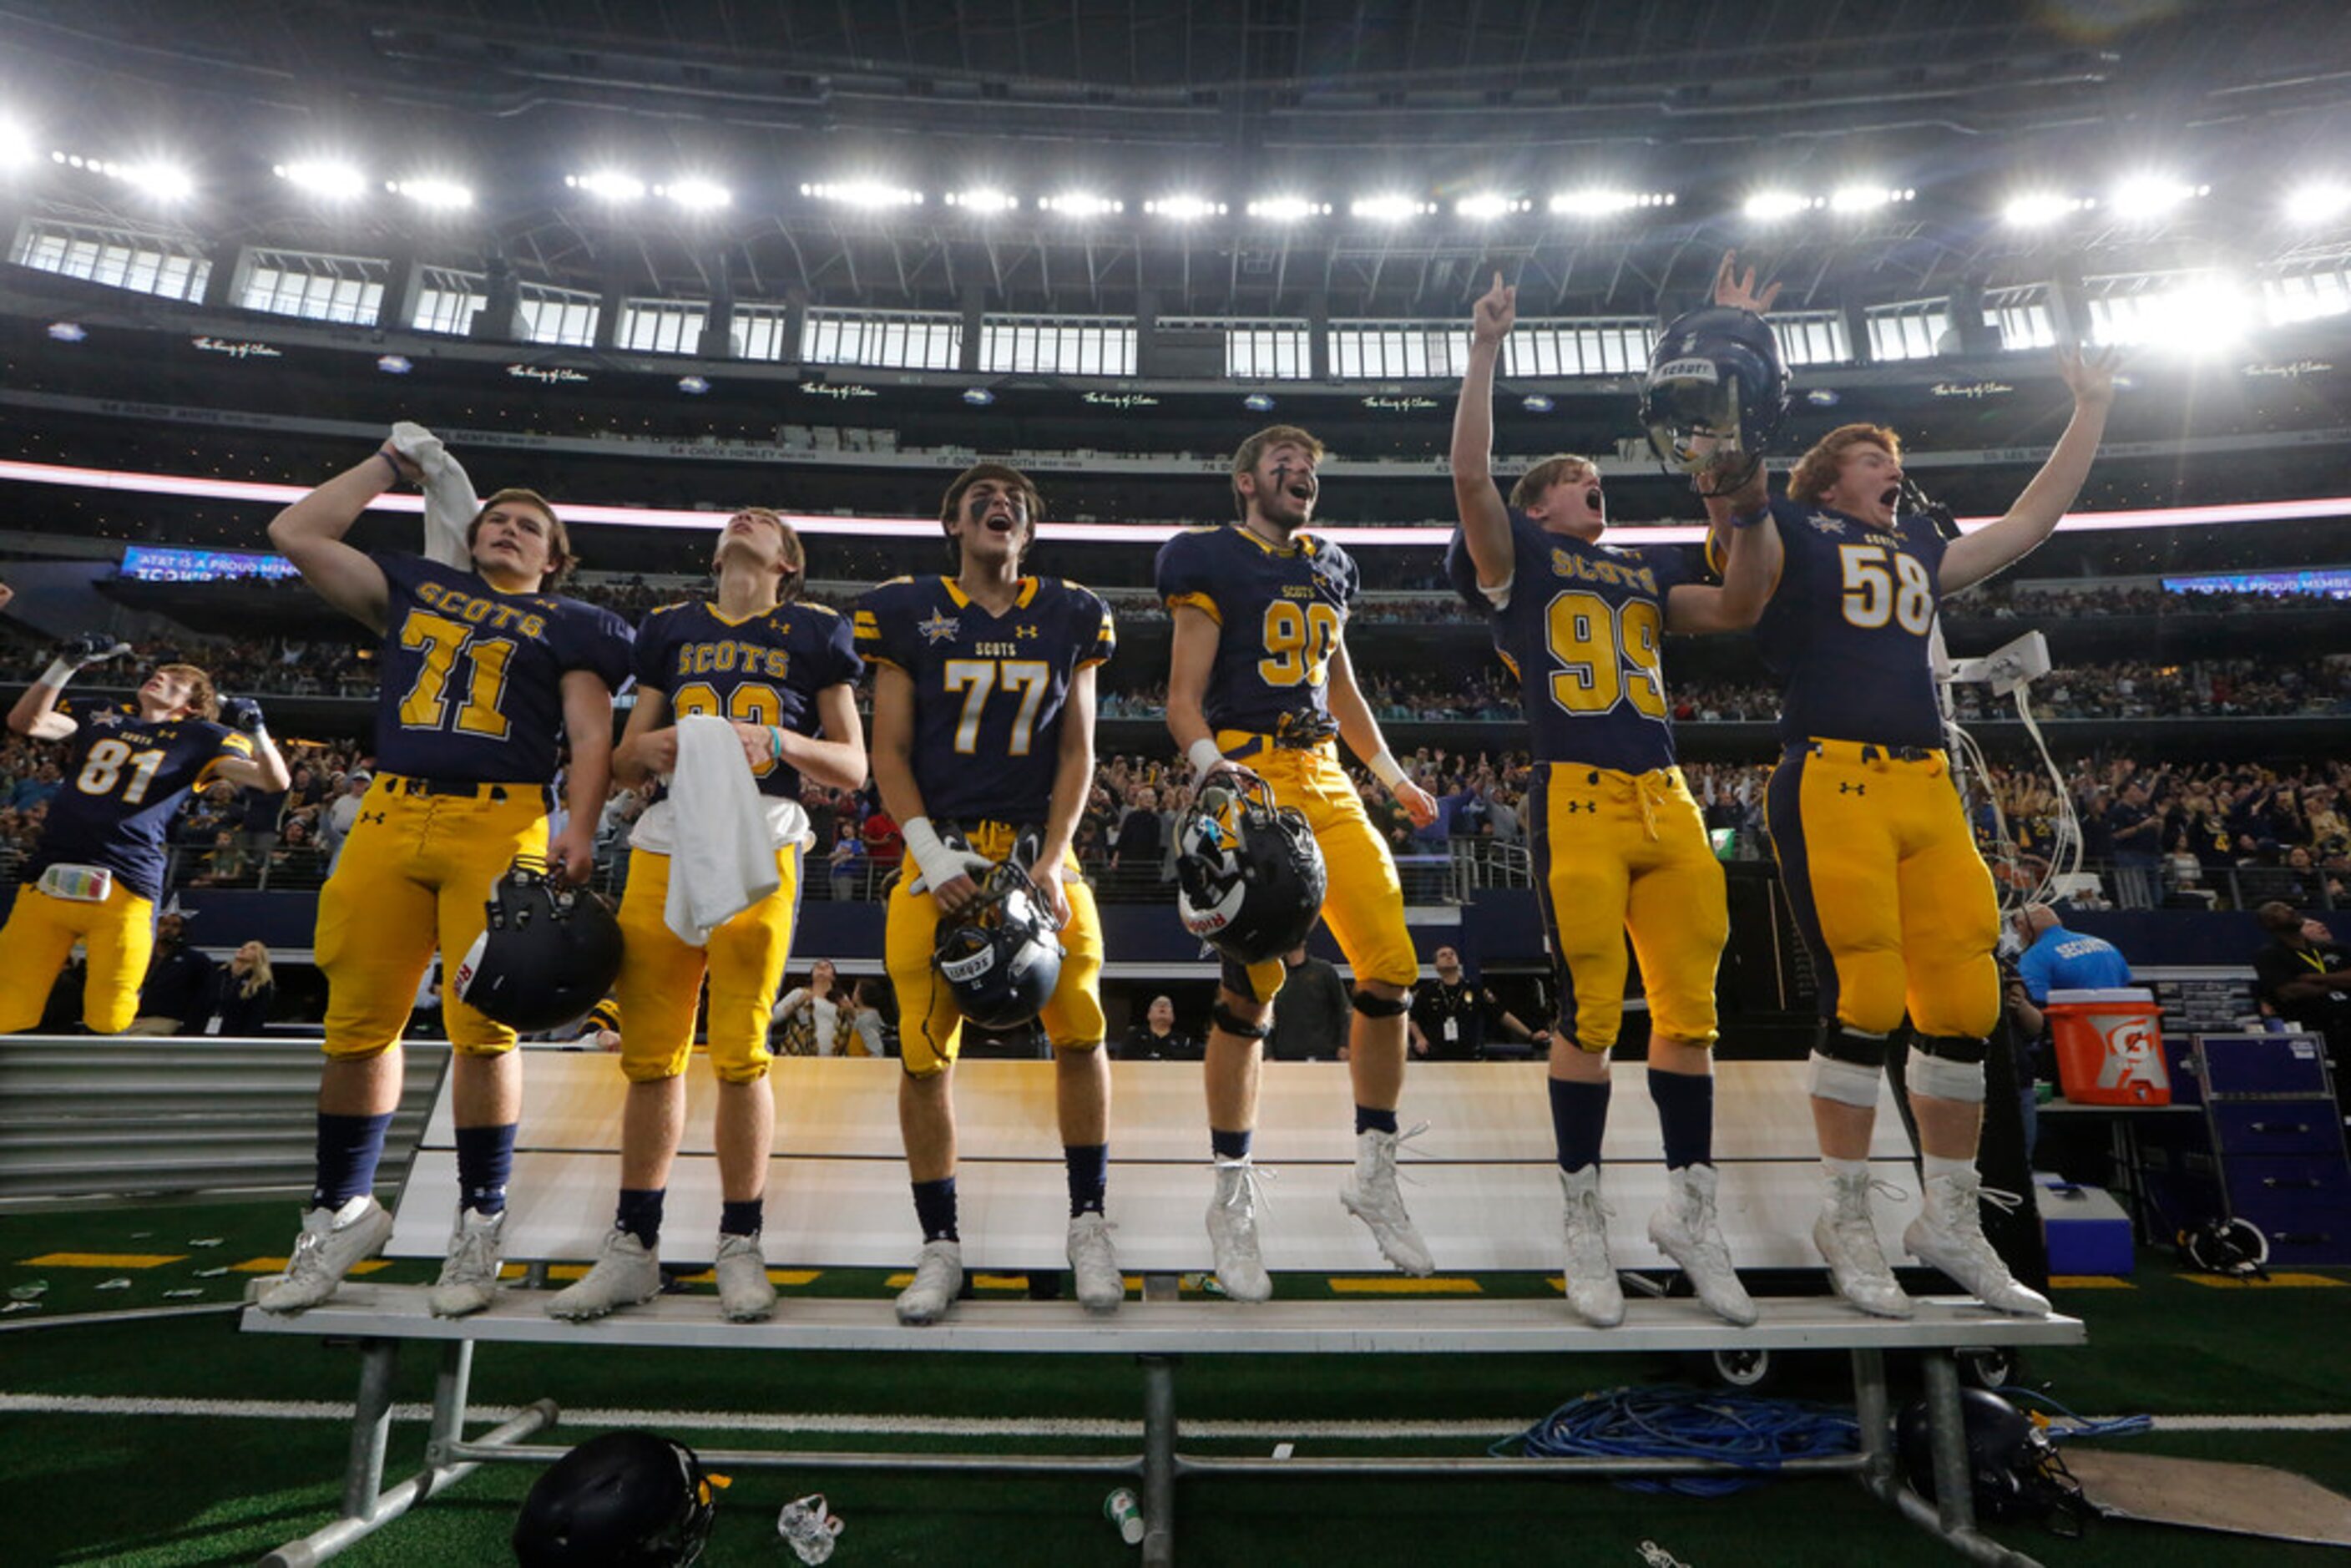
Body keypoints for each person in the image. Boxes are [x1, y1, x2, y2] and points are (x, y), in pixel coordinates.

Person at [1751, 341, 2120, 1318]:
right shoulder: (1792, 524)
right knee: (1865, 990)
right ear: (1830, 472)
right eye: (1874, 459)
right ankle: (1845, 1214)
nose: (1892, 472)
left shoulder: (1915, 545)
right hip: (1830, 771)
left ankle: (1946, 1217)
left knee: (1963, 997)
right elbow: (1736, 527)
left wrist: (2090, 405)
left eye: (1891, 460)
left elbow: (2034, 520)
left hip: (1925, 784)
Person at [1450, 258, 1777, 1327]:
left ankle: (1690, 1214)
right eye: (1577, 476)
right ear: (1541, 501)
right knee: (1588, 1012)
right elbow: (1467, 485)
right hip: (1578, 796)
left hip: (1667, 800)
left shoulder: (1637, 570)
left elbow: (1737, 604)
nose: (1596, 483)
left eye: (1597, 474)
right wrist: (1485, 350)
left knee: (1691, 1013)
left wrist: (1730, 466)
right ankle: (1581, 1218)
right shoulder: (1524, 559)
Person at [256, 435, 632, 1318]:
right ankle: (342, 1210)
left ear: (555, 557)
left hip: (501, 823)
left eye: (529, 525)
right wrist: (389, 463)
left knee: (486, 1030)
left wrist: (579, 828)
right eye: (495, 518)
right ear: (468, 533)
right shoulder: (420, 589)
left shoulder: (575, 623)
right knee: (356, 1027)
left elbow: (588, 738)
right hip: (389, 813)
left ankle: (479, 1221)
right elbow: (296, 532)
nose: (508, 529)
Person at [549, 507, 865, 1325]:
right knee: (650, 1052)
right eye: (737, 517)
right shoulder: (670, 627)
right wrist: (637, 754)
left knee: (738, 1048)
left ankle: (739, 1241)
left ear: (787, 562)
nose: (746, 518)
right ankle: (632, 1247)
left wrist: (779, 744)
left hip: (762, 834)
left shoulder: (814, 631)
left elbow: (853, 766)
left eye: (767, 523)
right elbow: (621, 758)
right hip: (665, 835)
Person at [1157, 422, 1441, 1297]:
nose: (1301, 475)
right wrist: (1212, 771)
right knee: (1253, 991)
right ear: (1243, 481)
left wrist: (1389, 776)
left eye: (1312, 467)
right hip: (1249, 771)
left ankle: (1373, 1172)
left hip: (1323, 774)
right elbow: (1180, 697)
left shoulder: (1330, 564)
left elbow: (1340, 685)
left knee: (1391, 965)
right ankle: (1230, 1198)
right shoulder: (1209, 557)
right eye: (1283, 463)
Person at [855, 462, 1122, 1323]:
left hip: (1037, 856)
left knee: (1080, 1028)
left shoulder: (1072, 612)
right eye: (980, 498)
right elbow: (888, 751)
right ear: (952, 525)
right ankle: (940, 1245)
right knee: (925, 1051)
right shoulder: (906, 609)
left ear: (1029, 531)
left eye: (1011, 501)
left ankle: (1088, 1225)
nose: (997, 504)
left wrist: (1053, 861)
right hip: (942, 858)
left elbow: (1077, 750)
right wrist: (930, 858)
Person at [0, 641, 288, 1034]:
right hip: (49, 870)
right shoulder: (104, 714)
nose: (163, 676)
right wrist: (65, 664)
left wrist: (256, 731)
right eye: (162, 672)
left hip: (125, 876)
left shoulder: (201, 737)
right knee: (8, 1000)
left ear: (192, 705)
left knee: (111, 1011)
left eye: (178, 681)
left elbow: (274, 781)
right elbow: (26, 722)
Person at [2252, 902, 2351, 1105]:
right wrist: (2337, 984)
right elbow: (2289, 991)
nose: (2290, 910)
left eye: (2289, 908)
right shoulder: (2271, 955)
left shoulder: (2333, 948)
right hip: (2315, 1032)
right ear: (2270, 924)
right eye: (2280, 911)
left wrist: (2314, 978)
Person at [1406, 944, 1548, 1065]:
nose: (1449, 956)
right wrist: (1419, 1038)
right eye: (1443, 955)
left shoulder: (1475, 990)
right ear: (1436, 966)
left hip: (1468, 1058)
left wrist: (1530, 1035)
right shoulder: (1427, 992)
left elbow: (1502, 1015)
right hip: (1436, 1058)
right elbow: (1413, 1019)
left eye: (1452, 954)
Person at [2010, 903, 2132, 1004]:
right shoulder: (2105, 946)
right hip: (2116, 1024)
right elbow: (2125, 984)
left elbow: (2038, 1006)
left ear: (2021, 925)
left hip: (2074, 1028)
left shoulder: (2034, 957)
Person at [127, 909, 220, 1035]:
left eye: (175, 925)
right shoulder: (138, 955)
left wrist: (190, 1029)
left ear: (183, 930)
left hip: (165, 1021)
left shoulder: (195, 960)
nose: (168, 929)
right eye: (163, 924)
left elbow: (204, 999)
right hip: (129, 1018)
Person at [1265, 945, 1351, 1063]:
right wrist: (1268, 1053)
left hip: (1324, 1056)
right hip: (1285, 1058)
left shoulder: (1324, 971)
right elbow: (1265, 1020)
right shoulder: (1274, 976)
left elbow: (1343, 1010)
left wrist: (1344, 1044)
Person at [773, 958, 858, 1057]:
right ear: (812, 974)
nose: (822, 968)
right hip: (801, 1061)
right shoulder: (800, 994)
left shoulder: (841, 999)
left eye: (827, 967)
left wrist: (851, 1011)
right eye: (818, 966)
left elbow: (859, 1028)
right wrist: (796, 1004)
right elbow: (773, 1018)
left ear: (833, 977)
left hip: (834, 1063)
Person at [214, 939, 276, 1035]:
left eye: (252, 948)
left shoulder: (260, 984)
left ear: (259, 957)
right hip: (212, 1032)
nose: (243, 949)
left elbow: (256, 1017)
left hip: (237, 1036)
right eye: (244, 946)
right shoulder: (221, 975)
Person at [1119, 994, 1201, 1061]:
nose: (1162, 1006)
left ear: (1173, 1017)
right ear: (1149, 1015)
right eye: (1157, 1004)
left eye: (1167, 1005)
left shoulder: (1185, 1042)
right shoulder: (1133, 1039)